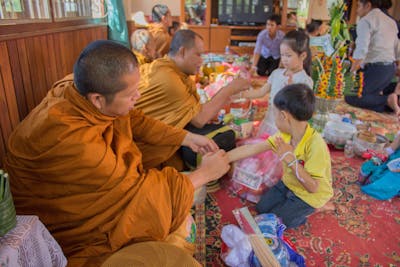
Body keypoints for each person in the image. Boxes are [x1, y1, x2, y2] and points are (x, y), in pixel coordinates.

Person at [4, 40, 231, 266]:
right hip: (69, 224)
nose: (138, 98)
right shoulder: (76, 143)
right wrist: (204, 174)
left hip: (95, 185)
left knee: (174, 210)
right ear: (98, 100)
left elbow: (133, 119)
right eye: (132, 95)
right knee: (171, 231)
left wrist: (187, 137)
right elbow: (136, 193)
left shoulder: (77, 89)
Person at [135, 29, 250, 169]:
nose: (202, 61)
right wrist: (229, 89)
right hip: (138, 152)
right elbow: (199, 120)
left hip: (155, 138)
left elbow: (196, 114)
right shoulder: (170, 79)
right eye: (198, 54)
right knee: (223, 138)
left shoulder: (169, 69)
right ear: (182, 52)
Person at [228, 84, 333, 228]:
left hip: (309, 196)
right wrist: (224, 157)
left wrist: (290, 159)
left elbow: (313, 187)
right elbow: (253, 149)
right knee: (262, 209)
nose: (275, 117)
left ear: (284, 116)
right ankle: (292, 207)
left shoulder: (316, 145)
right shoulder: (284, 135)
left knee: (277, 222)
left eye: (275, 113)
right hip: (289, 183)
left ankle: (315, 208)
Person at [242, 30, 313, 135]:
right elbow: (261, 92)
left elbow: (301, 113)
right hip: (269, 122)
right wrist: (239, 94)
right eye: (282, 55)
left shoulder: (304, 81)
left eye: (288, 56)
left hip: (286, 129)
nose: (284, 59)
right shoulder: (276, 74)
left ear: (302, 56)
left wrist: (290, 94)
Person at [345, 0, 400, 115]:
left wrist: (351, 73)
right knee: (369, 95)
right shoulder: (391, 21)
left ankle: (387, 100)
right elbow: (397, 50)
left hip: (377, 69)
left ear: (368, 5)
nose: (356, 9)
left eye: (359, 6)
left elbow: (361, 51)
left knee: (351, 96)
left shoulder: (366, 20)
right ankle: (389, 102)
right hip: (389, 69)